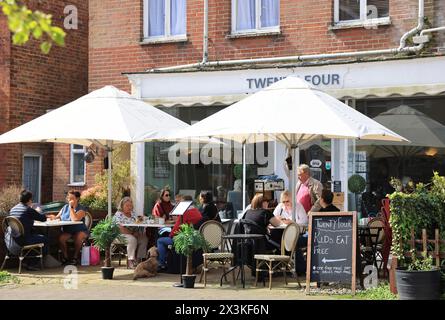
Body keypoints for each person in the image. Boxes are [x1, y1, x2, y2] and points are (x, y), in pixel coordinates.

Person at [4, 190, 48, 270]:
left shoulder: (13, 209)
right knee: (45, 239)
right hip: (22, 241)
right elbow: (43, 218)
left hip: (12, 239)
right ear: (29, 200)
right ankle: (33, 264)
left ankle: (26, 262)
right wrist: (38, 210)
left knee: (35, 234)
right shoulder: (27, 209)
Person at [156, 195, 202, 271]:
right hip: (193, 239)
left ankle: (162, 264)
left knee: (160, 240)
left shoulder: (185, 213)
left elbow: (175, 230)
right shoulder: (197, 212)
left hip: (183, 239)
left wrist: (170, 235)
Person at [48, 190, 89, 265]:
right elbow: (58, 217)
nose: (69, 200)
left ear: (77, 199)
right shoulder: (64, 207)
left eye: (71, 198)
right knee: (61, 238)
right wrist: (52, 217)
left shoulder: (81, 209)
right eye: (68, 198)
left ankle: (75, 257)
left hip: (80, 230)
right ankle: (66, 257)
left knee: (78, 237)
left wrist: (71, 208)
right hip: (69, 230)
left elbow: (75, 219)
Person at [113, 197, 149, 269]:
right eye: (127, 206)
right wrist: (132, 233)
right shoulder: (118, 215)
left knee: (143, 239)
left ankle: (139, 260)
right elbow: (120, 229)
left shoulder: (133, 214)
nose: (129, 207)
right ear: (122, 206)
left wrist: (144, 218)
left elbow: (139, 220)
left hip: (132, 234)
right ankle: (130, 261)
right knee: (132, 239)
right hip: (119, 235)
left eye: (130, 205)